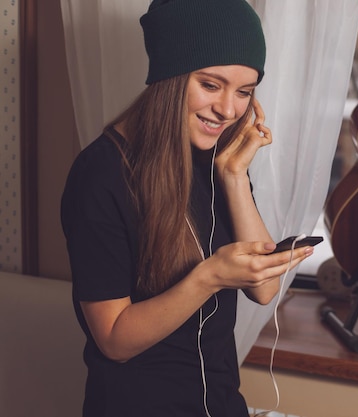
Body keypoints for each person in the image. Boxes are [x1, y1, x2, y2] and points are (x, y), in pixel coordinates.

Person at [60, 0, 314, 416]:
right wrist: (210, 277)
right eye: (211, 85)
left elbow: (264, 289)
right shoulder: (100, 174)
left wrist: (233, 176)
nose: (229, 110)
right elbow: (114, 341)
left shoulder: (217, 158)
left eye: (244, 92)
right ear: (169, 76)